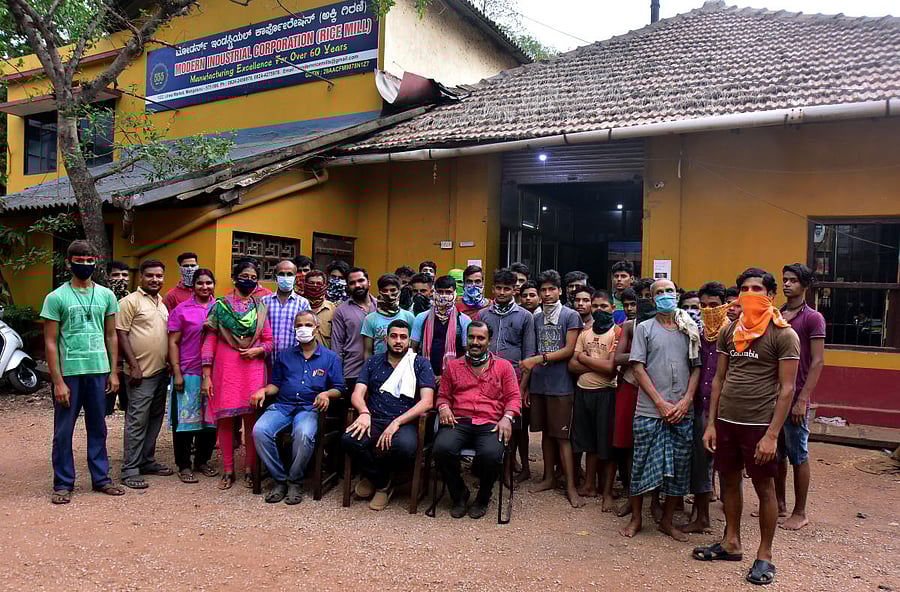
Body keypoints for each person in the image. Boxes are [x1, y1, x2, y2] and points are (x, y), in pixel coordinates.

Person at [695, 268, 800, 587]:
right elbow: (720, 379)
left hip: (760, 425)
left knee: (764, 489)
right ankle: (731, 542)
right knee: (728, 482)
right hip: (726, 421)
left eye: (757, 288)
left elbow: (787, 389)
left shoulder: (784, 334)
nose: (750, 293)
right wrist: (711, 423)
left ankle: (764, 555)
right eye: (744, 288)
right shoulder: (730, 331)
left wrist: (771, 435)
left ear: (770, 295)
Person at [41, 240, 124, 504]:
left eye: (90, 260)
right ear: (69, 263)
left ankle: (101, 479)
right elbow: (51, 342)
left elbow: (111, 335)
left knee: (98, 427)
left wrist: (113, 372)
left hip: (98, 371)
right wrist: (57, 382)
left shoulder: (106, 295)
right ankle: (63, 483)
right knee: (63, 431)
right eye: (80, 260)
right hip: (70, 373)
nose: (86, 265)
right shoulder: (56, 298)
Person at [620, 278, 701, 542]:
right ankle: (637, 518)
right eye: (660, 293)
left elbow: (696, 367)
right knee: (640, 465)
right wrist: (660, 402)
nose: (666, 295)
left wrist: (686, 400)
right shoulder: (644, 328)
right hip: (649, 410)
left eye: (670, 291)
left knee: (678, 467)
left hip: (681, 411)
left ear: (677, 295)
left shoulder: (689, 328)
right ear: (653, 299)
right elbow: (638, 367)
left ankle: (667, 521)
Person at [251, 310, 345, 504]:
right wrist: (263, 390)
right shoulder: (285, 356)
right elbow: (275, 385)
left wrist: (326, 394)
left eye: (308, 325)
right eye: (300, 325)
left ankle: (295, 481)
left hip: (310, 409)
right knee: (259, 431)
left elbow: (339, 388)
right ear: (294, 328)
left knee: (303, 434)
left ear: (317, 328)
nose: (304, 329)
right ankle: (280, 479)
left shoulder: (330, 358)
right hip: (283, 406)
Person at [342, 320, 435, 510]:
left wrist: (397, 423)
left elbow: (427, 401)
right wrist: (364, 412)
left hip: (404, 422)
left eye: (403, 337)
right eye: (394, 336)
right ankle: (382, 483)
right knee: (349, 439)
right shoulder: (373, 361)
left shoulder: (420, 363)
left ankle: (377, 478)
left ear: (410, 340)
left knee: (405, 446)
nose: (398, 341)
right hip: (374, 419)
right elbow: (357, 394)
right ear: (386, 339)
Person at [434, 322, 521, 518]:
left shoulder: (504, 366)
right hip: (459, 421)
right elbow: (443, 395)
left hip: (490, 422)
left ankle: (483, 496)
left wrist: (507, 418)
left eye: (480, 338)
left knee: (490, 454)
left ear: (489, 341)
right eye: (471, 337)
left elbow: (514, 398)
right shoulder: (453, 366)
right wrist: (444, 406)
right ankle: (458, 494)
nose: (475, 342)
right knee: (441, 448)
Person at [202, 260, 273, 490]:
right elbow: (210, 339)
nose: (249, 280)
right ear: (234, 277)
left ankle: (250, 469)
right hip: (225, 368)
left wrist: (258, 350)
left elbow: (270, 341)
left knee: (252, 421)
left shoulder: (261, 308)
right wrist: (206, 374)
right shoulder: (220, 306)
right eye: (244, 276)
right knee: (225, 420)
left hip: (252, 369)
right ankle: (228, 469)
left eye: (253, 277)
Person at [520, 269, 584, 508]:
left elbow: (568, 350)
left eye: (551, 289)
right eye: (543, 290)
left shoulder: (570, 316)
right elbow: (530, 350)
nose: (547, 294)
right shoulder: (535, 318)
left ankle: (570, 486)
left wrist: (538, 360)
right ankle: (548, 477)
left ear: (559, 290)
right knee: (546, 432)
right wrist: (524, 386)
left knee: (562, 436)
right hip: (539, 383)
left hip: (561, 384)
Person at [777, 263, 825, 531]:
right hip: (775, 395)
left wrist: (803, 399)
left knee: (798, 453)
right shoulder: (778, 315)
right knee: (776, 453)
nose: (786, 284)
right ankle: (779, 503)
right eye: (784, 279)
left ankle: (800, 510)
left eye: (792, 280)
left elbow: (817, 362)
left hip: (796, 396)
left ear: (804, 285)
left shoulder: (812, 318)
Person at [117, 259, 171, 489]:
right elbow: (121, 334)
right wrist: (133, 365)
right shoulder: (129, 302)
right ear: (141, 276)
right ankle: (130, 469)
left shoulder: (161, 302)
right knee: (137, 421)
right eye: (150, 275)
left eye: (159, 276)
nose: (155, 279)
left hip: (160, 372)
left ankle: (147, 460)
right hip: (140, 373)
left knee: (155, 418)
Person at [479, 269, 536, 481]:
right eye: (499, 288)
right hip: (486, 377)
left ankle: (514, 467)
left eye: (507, 289)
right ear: (492, 288)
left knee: (516, 425)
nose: (502, 292)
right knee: (489, 420)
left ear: (515, 290)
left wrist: (523, 387)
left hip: (515, 377)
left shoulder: (525, 317)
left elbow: (529, 354)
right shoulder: (484, 314)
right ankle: (492, 467)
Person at [682, 281, 729, 534]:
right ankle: (701, 517)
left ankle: (730, 525)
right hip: (701, 406)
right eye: (704, 305)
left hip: (726, 410)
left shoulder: (734, 334)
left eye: (714, 305)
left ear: (724, 305)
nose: (708, 310)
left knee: (728, 468)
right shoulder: (697, 335)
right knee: (700, 464)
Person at [568, 289, 619, 511]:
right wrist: (589, 361)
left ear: (613, 309)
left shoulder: (617, 333)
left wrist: (584, 358)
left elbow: (610, 369)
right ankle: (589, 484)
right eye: (596, 306)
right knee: (588, 443)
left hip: (606, 395)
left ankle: (607, 492)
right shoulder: (585, 333)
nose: (599, 310)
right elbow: (572, 365)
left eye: (604, 306)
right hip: (583, 393)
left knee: (606, 446)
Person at [167, 267, 219, 483]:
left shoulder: (221, 308)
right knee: (185, 422)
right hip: (188, 372)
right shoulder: (182, 309)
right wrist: (177, 372)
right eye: (200, 283)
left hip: (215, 374)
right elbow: (173, 342)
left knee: (210, 422)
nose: (204, 287)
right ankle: (184, 465)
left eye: (208, 283)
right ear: (193, 286)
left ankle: (202, 461)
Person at [612, 297, 654, 517]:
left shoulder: (670, 324)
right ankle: (631, 494)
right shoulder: (629, 326)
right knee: (628, 443)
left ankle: (655, 499)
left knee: (655, 446)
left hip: (658, 389)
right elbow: (617, 358)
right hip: (630, 386)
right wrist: (640, 355)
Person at [411, 275, 472, 384]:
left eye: (448, 292)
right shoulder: (421, 318)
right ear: (434, 293)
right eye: (440, 292)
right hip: (424, 376)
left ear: (455, 294)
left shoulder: (464, 320)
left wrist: (446, 376)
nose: (444, 296)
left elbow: (466, 353)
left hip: (454, 378)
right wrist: (423, 373)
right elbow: (413, 350)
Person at [331, 267, 378, 392]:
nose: (357, 285)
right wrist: (339, 377)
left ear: (369, 282)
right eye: (352, 283)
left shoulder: (380, 307)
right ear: (347, 286)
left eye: (361, 280)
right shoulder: (341, 311)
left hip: (382, 371)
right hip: (353, 372)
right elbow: (337, 346)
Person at [261, 260, 310, 360]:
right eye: (282, 274)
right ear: (276, 277)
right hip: (268, 360)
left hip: (294, 361)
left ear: (295, 278)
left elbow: (308, 333)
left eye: (289, 274)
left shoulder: (303, 303)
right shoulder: (264, 301)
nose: (285, 277)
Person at [362, 273, 416, 359]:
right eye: (385, 290)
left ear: (399, 291)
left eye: (392, 290)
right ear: (379, 291)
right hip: (378, 367)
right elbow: (367, 352)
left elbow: (413, 348)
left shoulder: (409, 317)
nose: (389, 294)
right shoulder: (370, 319)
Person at [106, 260, 131, 415]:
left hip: (128, 362)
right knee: (103, 408)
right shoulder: (101, 297)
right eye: (116, 275)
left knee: (129, 407)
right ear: (108, 277)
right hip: (106, 362)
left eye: (124, 275)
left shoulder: (133, 299)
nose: (121, 278)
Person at [304, 270, 335, 349]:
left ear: (324, 285)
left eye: (319, 283)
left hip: (326, 358)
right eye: (311, 283)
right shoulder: (299, 306)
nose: (315, 286)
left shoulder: (333, 309)